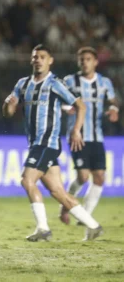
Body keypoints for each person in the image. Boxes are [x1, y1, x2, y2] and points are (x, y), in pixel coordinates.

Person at [2, 44, 103, 241]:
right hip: (35, 144)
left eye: (42, 57)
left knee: (27, 180)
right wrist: (8, 105)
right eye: (35, 57)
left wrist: (75, 130)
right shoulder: (22, 84)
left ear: (50, 61)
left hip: (47, 143)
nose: (38, 60)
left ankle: (43, 228)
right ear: (31, 60)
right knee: (57, 192)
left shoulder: (55, 83)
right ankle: (93, 226)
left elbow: (80, 106)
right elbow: (8, 113)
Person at [59, 47, 119, 224]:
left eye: (88, 59)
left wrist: (114, 109)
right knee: (83, 177)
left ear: (95, 62)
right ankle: (65, 206)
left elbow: (113, 100)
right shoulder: (70, 81)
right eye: (82, 59)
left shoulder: (104, 82)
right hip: (77, 136)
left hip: (97, 136)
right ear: (79, 62)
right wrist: (65, 108)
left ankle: (84, 215)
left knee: (100, 177)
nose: (85, 62)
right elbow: (59, 100)